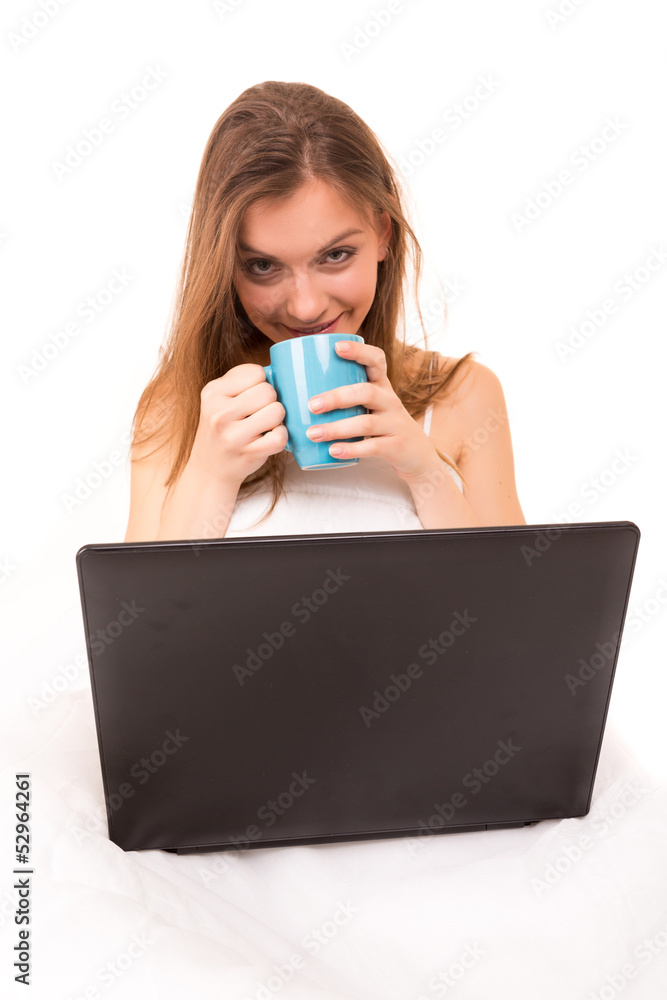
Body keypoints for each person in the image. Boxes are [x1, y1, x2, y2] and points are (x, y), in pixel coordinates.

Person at [123, 81, 525, 543]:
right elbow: (146, 594)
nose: (306, 306)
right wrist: (210, 477)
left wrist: (424, 470)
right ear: (224, 266)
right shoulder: (175, 405)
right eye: (263, 266)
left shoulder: (465, 396)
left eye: (335, 255)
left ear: (383, 233)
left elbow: (516, 588)